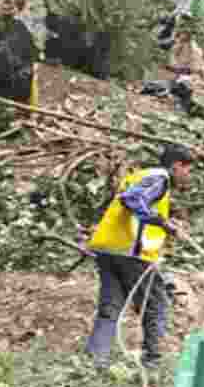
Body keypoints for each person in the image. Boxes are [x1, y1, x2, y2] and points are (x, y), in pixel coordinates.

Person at [83, 144, 195, 369]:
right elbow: (133, 199)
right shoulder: (160, 178)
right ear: (176, 166)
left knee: (110, 308)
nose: (188, 175)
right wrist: (163, 223)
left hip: (108, 249)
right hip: (131, 253)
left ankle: (96, 360)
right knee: (155, 304)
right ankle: (152, 362)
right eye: (187, 170)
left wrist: (166, 225)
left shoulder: (140, 175)